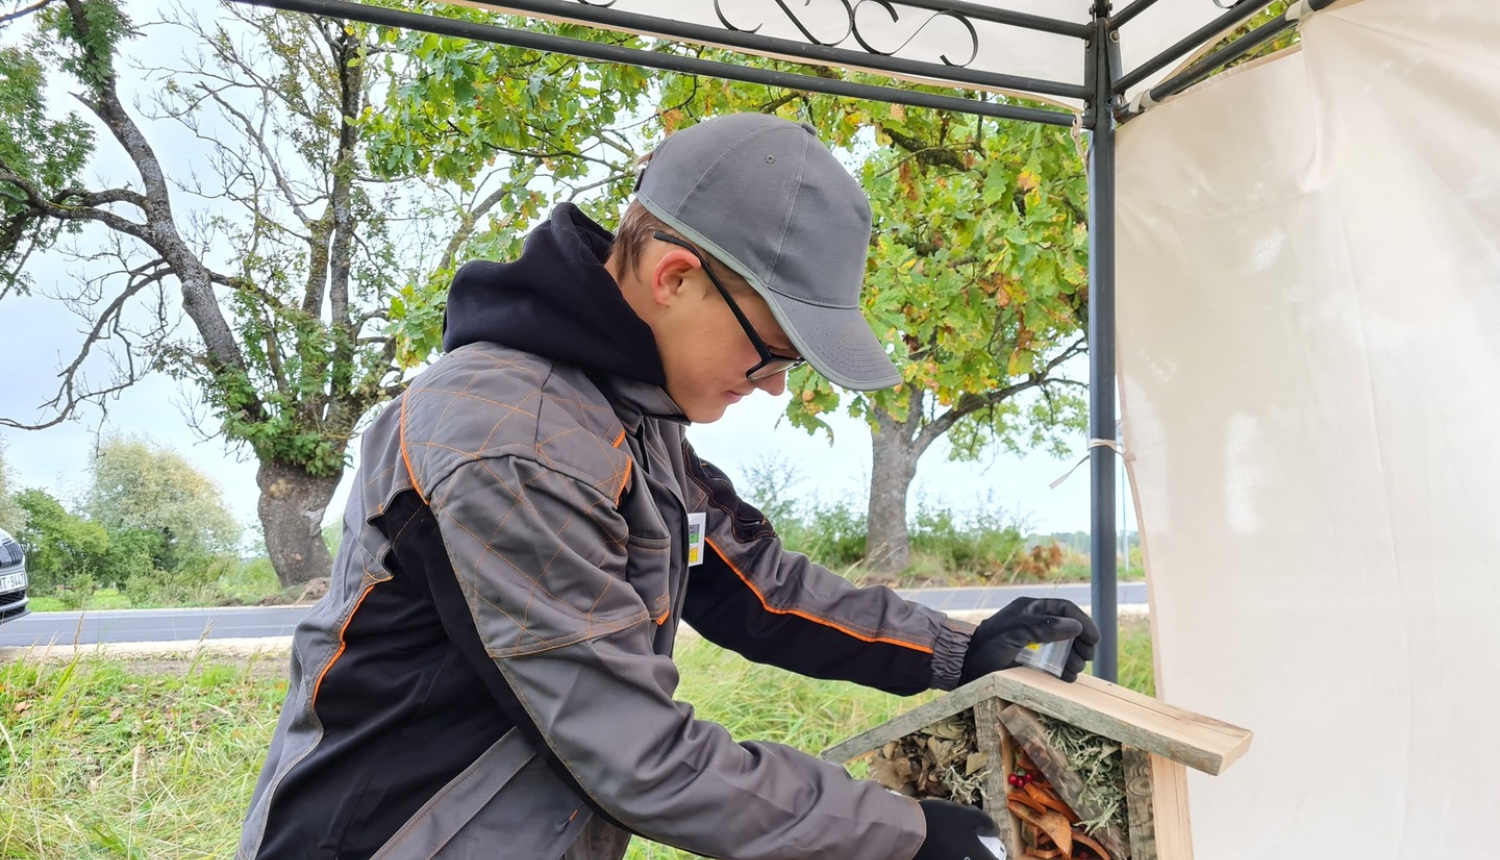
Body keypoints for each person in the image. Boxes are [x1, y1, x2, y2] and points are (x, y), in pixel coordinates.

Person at [237, 112, 1099, 860]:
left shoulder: (625, 415)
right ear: (675, 279)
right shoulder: (515, 438)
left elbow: (758, 587)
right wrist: (906, 835)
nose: (775, 387)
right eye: (772, 351)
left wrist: (956, 652)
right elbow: (636, 755)